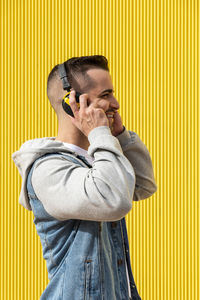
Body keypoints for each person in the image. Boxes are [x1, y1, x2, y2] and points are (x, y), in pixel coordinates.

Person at [12, 55, 157, 300]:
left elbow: (143, 185)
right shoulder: (48, 169)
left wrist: (119, 136)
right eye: (106, 94)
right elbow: (114, 200)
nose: (116, 103)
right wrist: (100, 133)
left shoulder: (99, 158)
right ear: (74, 103)